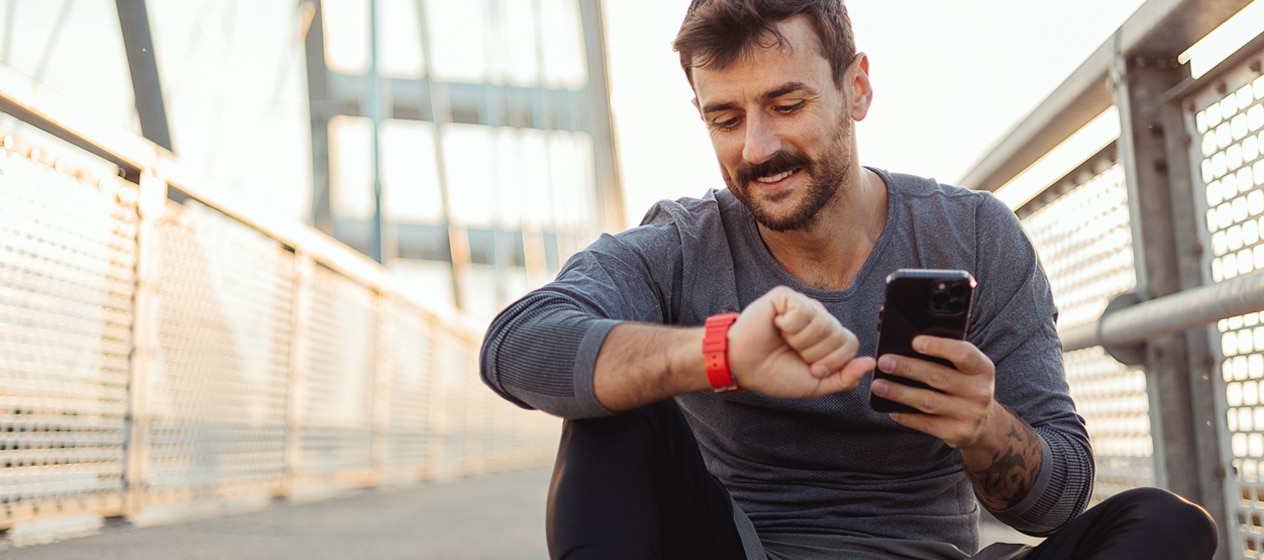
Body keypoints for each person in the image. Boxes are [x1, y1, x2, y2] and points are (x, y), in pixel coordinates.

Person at [478, 1, 1220, 558]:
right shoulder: (680, 242)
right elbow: (516, 345)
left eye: (786, 104)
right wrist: (720, 354)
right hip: (739, 549)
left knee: (1168, 525)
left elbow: (1058, 502)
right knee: (616, 403)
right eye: (725, 118)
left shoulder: (974, 234)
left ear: (856, 88)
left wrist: (982, 426)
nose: (757, 146)